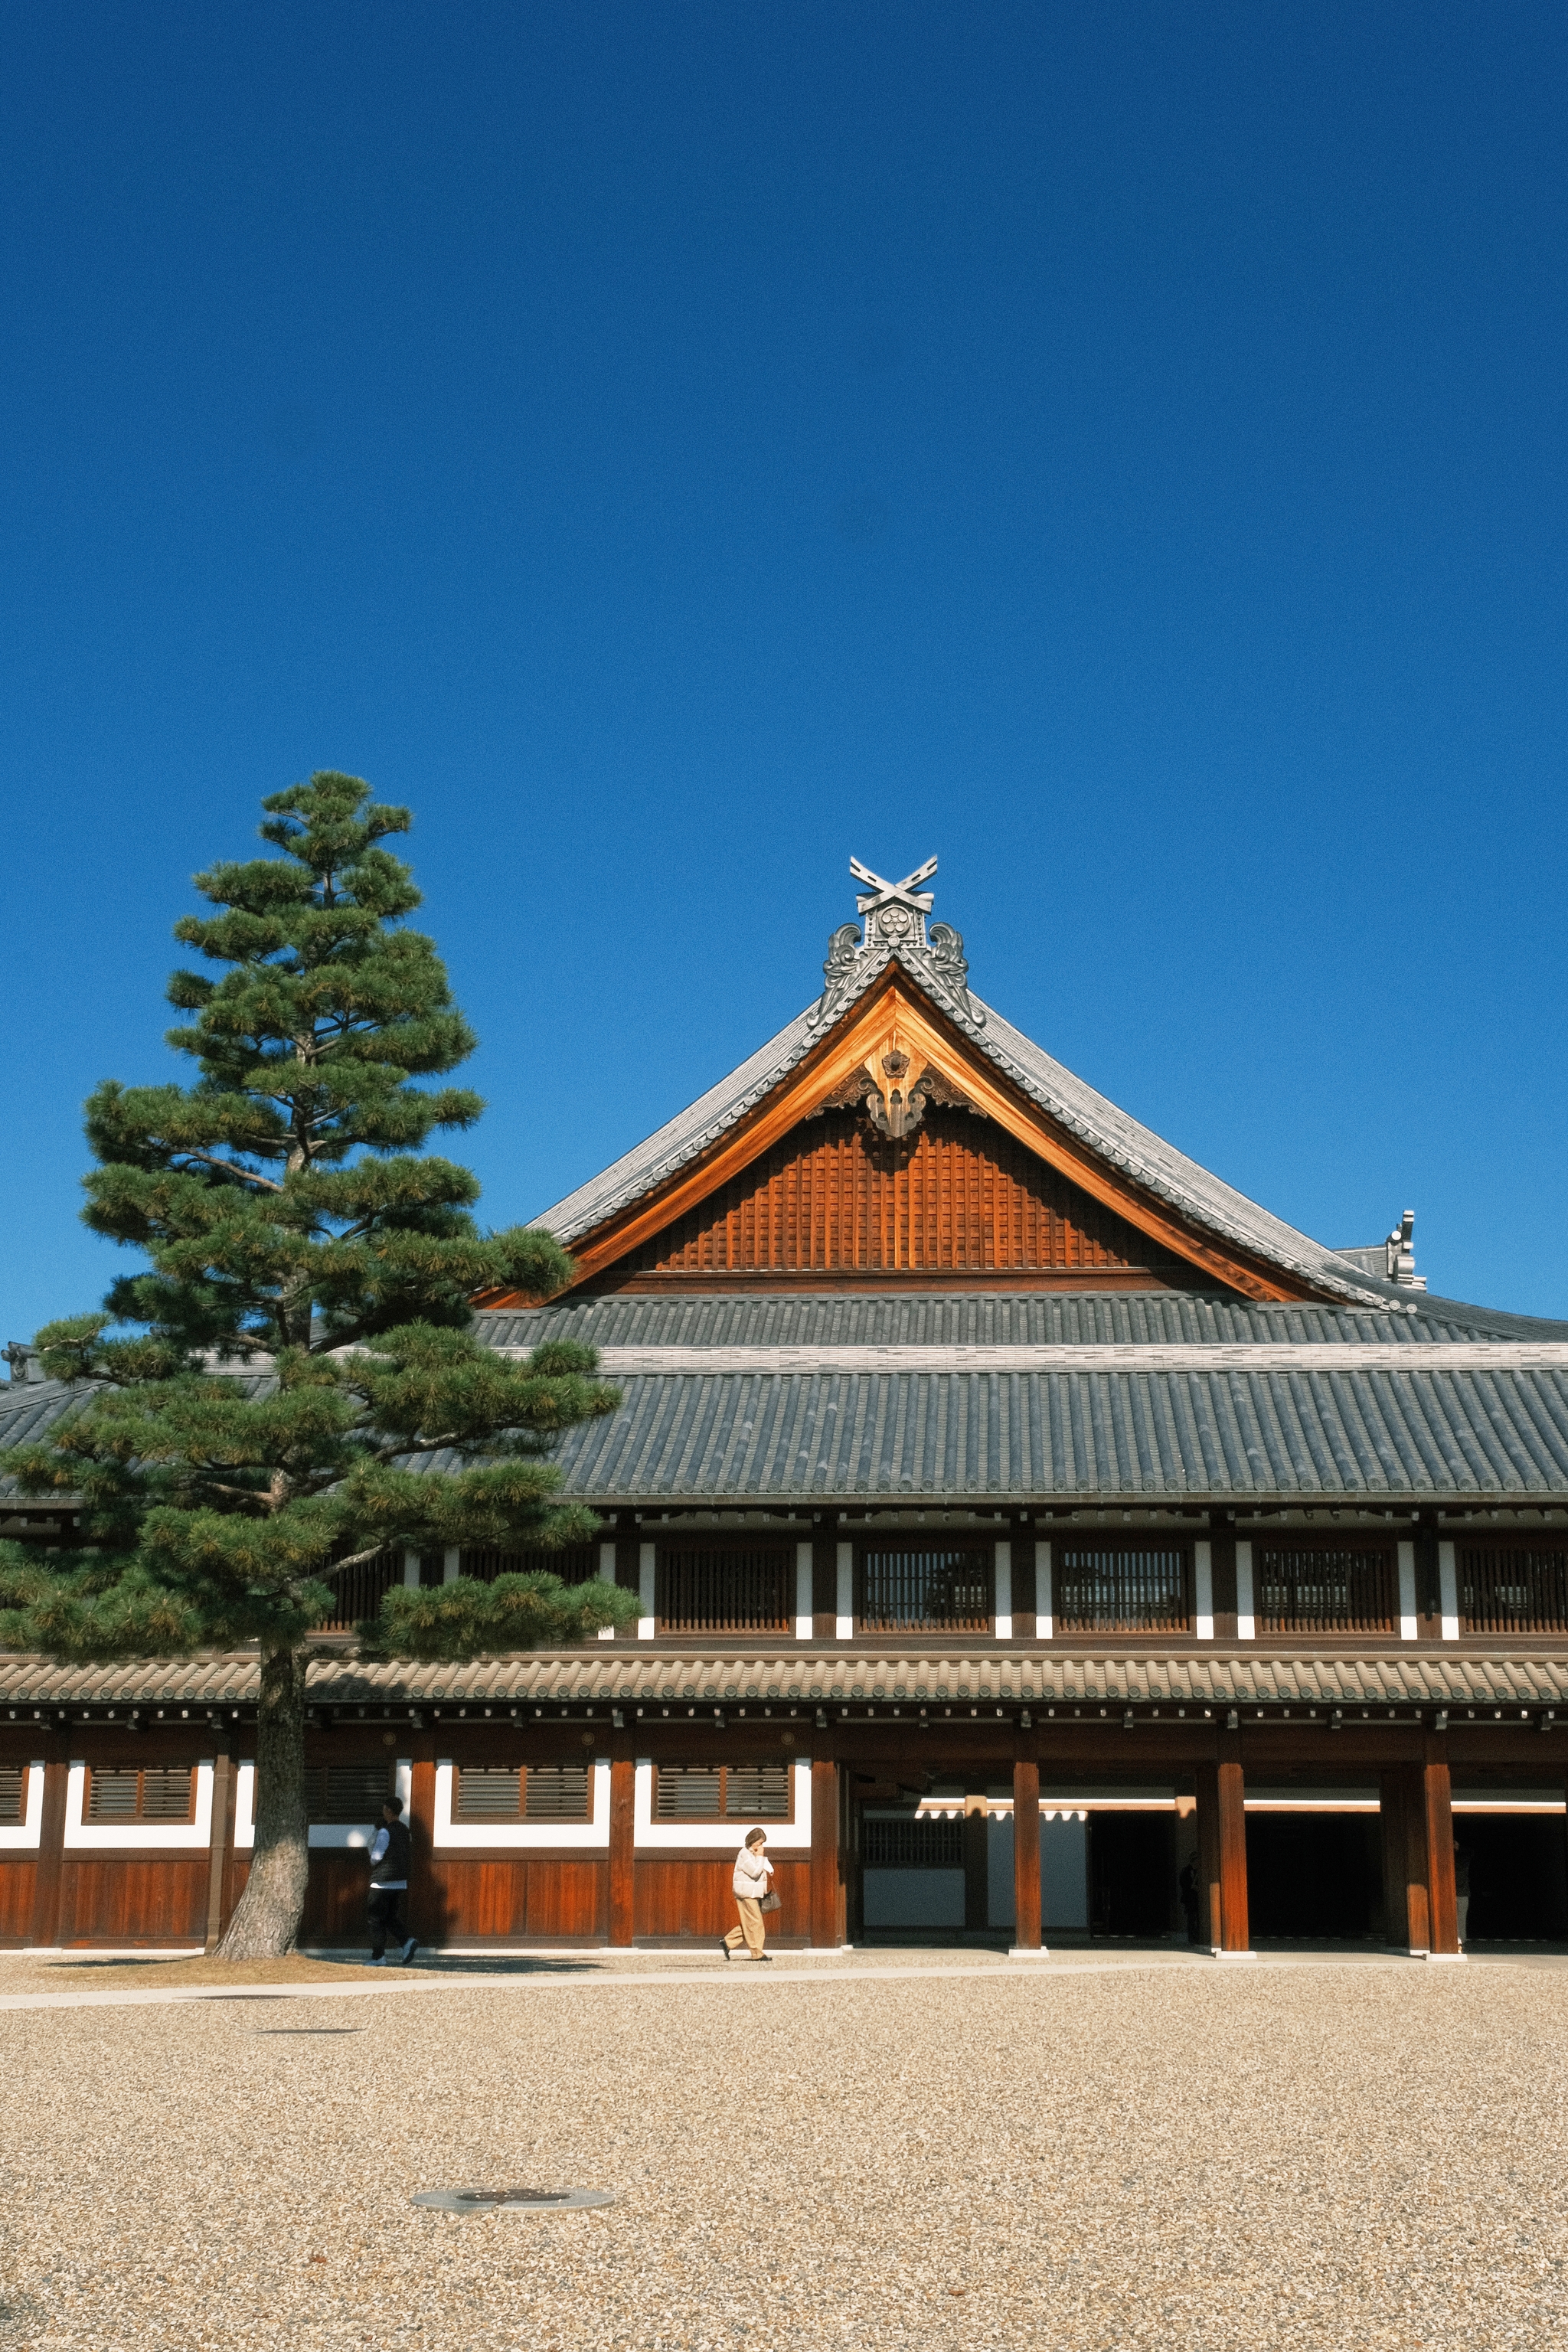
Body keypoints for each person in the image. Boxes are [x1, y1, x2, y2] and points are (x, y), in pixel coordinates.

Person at [366, 1795, 417, 1965]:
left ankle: (378, 1957)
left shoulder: (384, 1831)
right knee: (390, 1917)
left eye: (384, 1809)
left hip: (381, 1881)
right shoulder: (405, 1831)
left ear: (388, 1810)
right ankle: (406, 1941)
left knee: (375, 1919)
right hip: (400, 1880)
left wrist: (375, 1834)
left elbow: (376, 1856)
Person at [720, 1827, 774, 1962]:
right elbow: (755, 1872)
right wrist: (760, 1856)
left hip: (753, 1892)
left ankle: (727, 1942)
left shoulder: (752, 1854)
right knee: (756, 1923)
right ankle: (757, 1953)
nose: (762, 1846)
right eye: (760, 1843)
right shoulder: (744, 1854)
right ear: (753, 1841)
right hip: (746, 1893)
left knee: (749, 1922)